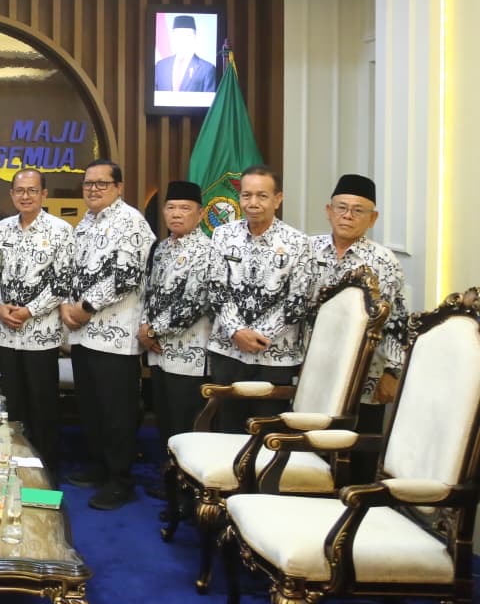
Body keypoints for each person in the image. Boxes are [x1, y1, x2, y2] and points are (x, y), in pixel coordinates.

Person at [60, 159, 155, 510]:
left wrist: (84, 307)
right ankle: (100, 467)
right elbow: (72, 271)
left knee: (117, 411)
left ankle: (121, 479)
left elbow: (126, 275)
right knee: (93, 408)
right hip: (85, 336)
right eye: (88, 184)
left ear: (119, 187)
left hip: (116, 337)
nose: (93, 189)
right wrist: (66, 307)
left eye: (102, 183)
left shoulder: (131, 222)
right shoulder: (85, 224)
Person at [308, 173, 407, 482]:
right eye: (341, 207)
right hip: (314, 373)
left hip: (365, 376)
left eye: (358, 210)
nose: (347, 216)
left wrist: (392, 372)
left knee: (358, 456)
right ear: (328, 210)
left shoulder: (383, 261)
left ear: (373, 218)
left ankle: (356, 520)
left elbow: (398, 321)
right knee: (312, 451)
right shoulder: (308, 250)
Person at [206, 164, 316, 433]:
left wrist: (259, 336)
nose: (253, 202)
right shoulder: (223, 234)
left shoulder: (298, 242)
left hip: (275, 356)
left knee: (266, 433)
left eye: (262, 196)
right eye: (247, 195)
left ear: (277, 199)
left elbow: (298, 300)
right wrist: (237, 331)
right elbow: (216, 288)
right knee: (226, 430)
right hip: (228, 349)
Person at [0, 168, 73, 474]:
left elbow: (63, 282)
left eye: (32, 190)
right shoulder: (1, 229)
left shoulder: (61, 230)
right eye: (19, 191)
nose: (25, 196)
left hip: (41, 332)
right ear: (11, 195)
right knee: (13, 402)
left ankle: (45, 467)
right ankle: (14, 463)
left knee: (42, 402)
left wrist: (30, 310)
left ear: (43, 194)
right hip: (6, 331)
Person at [138, 180, 215, 508]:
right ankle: (169, 479)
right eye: (171, 208)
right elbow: (148, 291)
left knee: (187, 425)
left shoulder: (207, 250)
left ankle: (188, 491)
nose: (177, 214)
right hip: (159, 352)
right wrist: (144, 325)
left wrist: (155, 331)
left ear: (199, 214)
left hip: (190, 353)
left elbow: (196, 302)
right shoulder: (161, 248)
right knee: (165, 419)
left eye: (185, 209)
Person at [154, 15, 216, 93]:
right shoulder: (160, 66)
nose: (182, 39)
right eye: (179, 35)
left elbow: (210, 102)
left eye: (187, 35)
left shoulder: (207, 69)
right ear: (173, 37)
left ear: (194, 37)